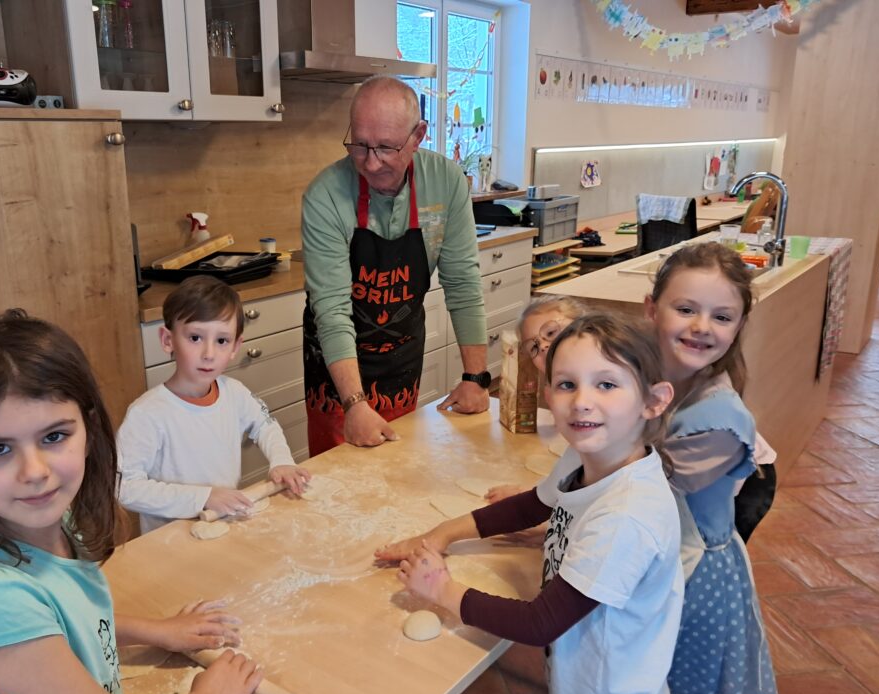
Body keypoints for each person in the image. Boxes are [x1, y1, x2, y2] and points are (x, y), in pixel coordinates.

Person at [0, 309, 262, 694]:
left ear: (89, 430)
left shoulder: (55, 523)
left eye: (54, 436)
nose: (34, 473)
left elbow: (66, 621)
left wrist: (156, 631)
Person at [376, 313, 683, 694]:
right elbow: (529, 507)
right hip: (595, 684)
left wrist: (441, 590)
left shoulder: (626, 517)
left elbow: (540, 623)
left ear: (652, 401)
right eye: (566, 384)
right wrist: (439, 536)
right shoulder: (588, 456)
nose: (582, 402)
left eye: (606, 384)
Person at [301, 74, 489, 456]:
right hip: (335, 367)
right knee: (339, 476)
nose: (370, 163)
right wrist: (354, 404)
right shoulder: (325, 195)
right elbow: (333, 310)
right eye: (359, 146)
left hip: (400, 354)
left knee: (396, 464)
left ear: (418, 136)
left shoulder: (447, 182)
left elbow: (463, 283)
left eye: (386, 147)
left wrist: (476, 378)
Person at [644, 242, 778, 694]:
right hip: (672, 548)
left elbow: (642, 491)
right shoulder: (655, 374)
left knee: (660, 692)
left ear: (739, 326)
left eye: (721, 316)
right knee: (671, 688)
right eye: (686, 309)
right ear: (650, 308)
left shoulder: (719, 421)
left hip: (692, 574)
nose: (702, 326)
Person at [118, 276, 310, 532]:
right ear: (167, 340)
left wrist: (282, 460)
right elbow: (125, 487)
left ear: (235, 346)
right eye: (195, 337)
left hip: (223, 524)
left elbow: (265, 425)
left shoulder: (235, 393)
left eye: (221, 341)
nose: (209, 353)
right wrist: (204, 497)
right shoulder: (147, 414)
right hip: (170, 543)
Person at [485, 295, 588, 504]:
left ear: (585, 327)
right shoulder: (563, 392)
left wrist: (545, 521)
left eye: (551, 333)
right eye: (533, 347)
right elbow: (579, 465)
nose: (542, 346)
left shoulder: (604, 390)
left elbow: (604, 481)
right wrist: (536, 494)